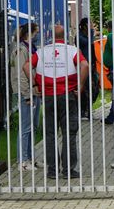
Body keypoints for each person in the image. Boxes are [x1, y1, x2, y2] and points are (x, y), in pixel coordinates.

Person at [24, 25, 89, 179]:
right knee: (69, 133)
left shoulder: (41, 52)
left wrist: (34, 84)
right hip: (68, 96)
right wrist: (80, 86)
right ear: (64, 36)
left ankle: (52, 171)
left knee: (50, 134)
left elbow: (26, 66)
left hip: (47, 96)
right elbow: (85, 65)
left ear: (51, 36)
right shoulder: (72, 50)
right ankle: (68, 170)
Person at [10, 22, 41, 171]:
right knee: (25, 127)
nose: (38, 36)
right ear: (31, 33)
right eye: (37, 33)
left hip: (34, 91)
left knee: (33, 126)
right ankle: (22, 161)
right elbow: (21, 74)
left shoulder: (30, 48)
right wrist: (27, 95)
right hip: (26, 92)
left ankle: (30, 157)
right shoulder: (21, 49)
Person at [77, 17, 99, 121]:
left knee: (94, 89)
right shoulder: (80, 36)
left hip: (92, 65)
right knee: (85, 89)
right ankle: (83, 112)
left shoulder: (87, 35)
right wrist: (91, 31)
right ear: (85, 25)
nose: (92, 25)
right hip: (84, 66)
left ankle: (89, 110)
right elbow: (89, 43)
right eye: (90, 24)